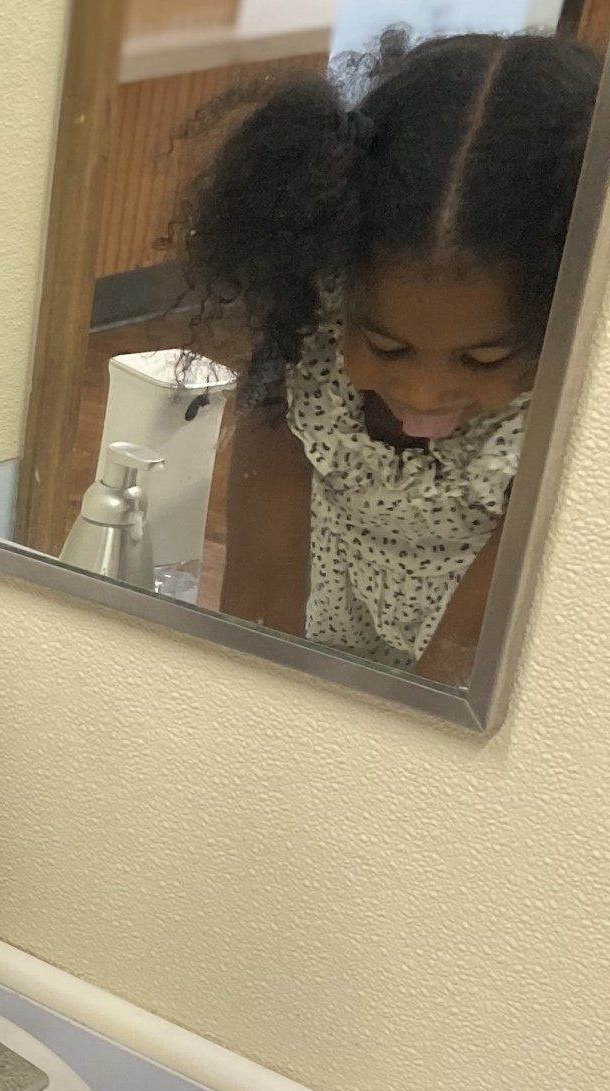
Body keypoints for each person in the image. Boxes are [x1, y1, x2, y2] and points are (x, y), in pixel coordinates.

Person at [180, 30, 600, 683]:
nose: (424, 393)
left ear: (559, 317)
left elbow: (458, 676)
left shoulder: (563, 429)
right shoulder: (304, 346)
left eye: (484, 359)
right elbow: (256, 614)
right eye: (385, 345)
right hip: (337, 646)